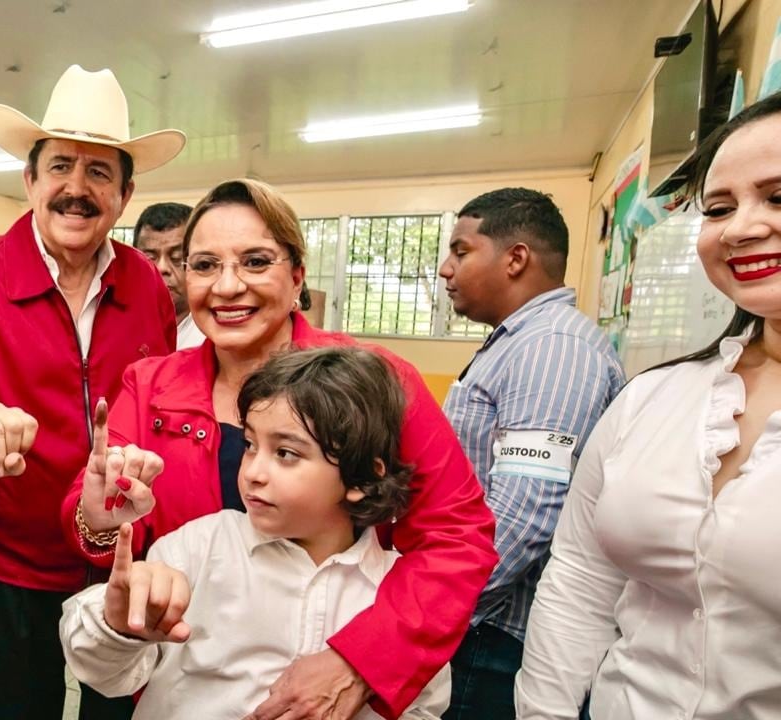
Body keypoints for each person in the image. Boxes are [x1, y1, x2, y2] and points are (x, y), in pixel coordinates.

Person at [64, 178, 497, 720]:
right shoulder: (150, 384)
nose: (226, 287)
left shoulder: (377, 383)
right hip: (178, 677)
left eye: (254, 261)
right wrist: (102, 517)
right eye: (203, 265)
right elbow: (103, 531)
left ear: (296, 277)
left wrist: (360, 662)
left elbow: (457, 539)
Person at [0, 64, 182, 719]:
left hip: (119, 562)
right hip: (7, 572)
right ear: (30, 180)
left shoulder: (147, 286)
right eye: (61, 168)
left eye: (99, 172)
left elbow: (162, 409)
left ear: (124, 196)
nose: (77, 189)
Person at [515, 94, 781, 720]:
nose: (742, 227)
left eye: (779, 197)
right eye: (719, 208)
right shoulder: (654, 397)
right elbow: (581, 576)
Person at [61, 346, 450, 719]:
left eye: (285, 453)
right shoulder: (197, 549)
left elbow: (422, 707)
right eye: (250, 445)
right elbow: (105, 673)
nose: (252, 473)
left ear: (363, 476)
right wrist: (115, 624)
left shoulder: (397, 593)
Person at [435, 188, 624, 720]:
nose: (447, 270)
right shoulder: (520, 341)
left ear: (516, 258)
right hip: (480, 619)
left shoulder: (552, 350)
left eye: (461, 251)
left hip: (493, 633)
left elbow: (524, 515)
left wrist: (438, 610)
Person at [134, 202, 204, 349]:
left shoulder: (213, 336)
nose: (162, 268)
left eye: (177, 258)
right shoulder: (120, 326)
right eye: (150, 258)